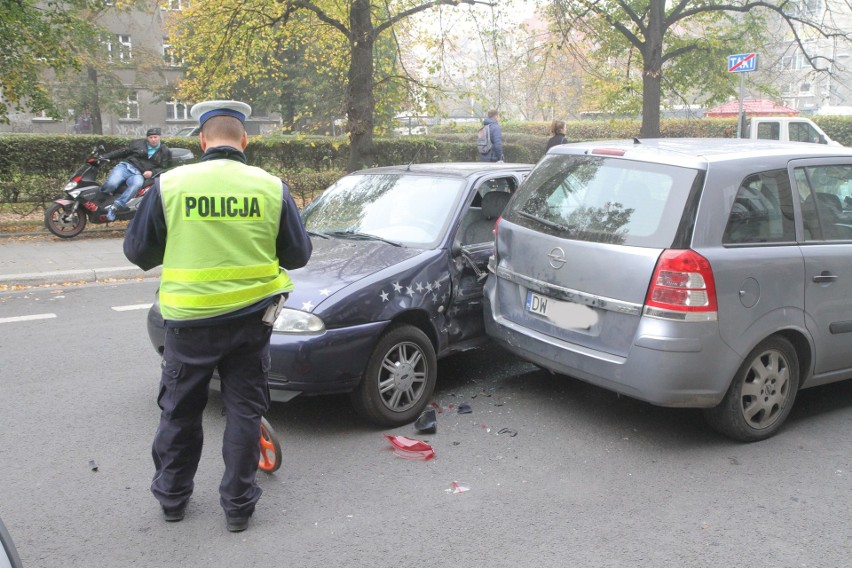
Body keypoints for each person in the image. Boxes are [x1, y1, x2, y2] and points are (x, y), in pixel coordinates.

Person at [123, 100, 312, 533]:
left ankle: (173, 499)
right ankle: (239, 508)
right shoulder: (270, 187)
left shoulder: (171, 185)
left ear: (202, 141)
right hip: (251, 323)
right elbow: (298, 255)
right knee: (244, 412)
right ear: (244, 141)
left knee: (180, 412)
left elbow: (139, 253)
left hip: (188, 323)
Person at [101, 127, 171, 221]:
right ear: (147, 138)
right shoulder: (138, 143)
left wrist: (152, 172)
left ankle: (115, 207)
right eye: (151, 137)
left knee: (136, 185)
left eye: (155, 137)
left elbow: (164, 167)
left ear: (159, 137)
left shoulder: (164, 151)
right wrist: (105, 157)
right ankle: (100, 202)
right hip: (125, 167)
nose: (153, 139)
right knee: (111, 184)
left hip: (138, 174)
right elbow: (122, 152)